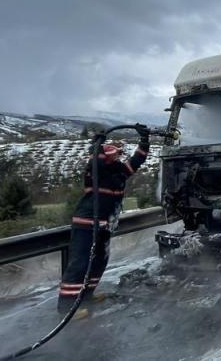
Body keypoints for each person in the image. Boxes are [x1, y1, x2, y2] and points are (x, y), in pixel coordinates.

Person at [57, 126, 151, 317]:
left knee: (99, 261)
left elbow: (137, 160)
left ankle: (87, 295)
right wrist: (97, 146)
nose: (118, 158)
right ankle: (67, 306)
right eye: (115, 155)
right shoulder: (96, 172)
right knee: (81, 263)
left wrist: (144, 140)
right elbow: (96, 163)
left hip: (105, 225)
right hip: (87, 223)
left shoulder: (119, 172)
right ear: (107, 157)